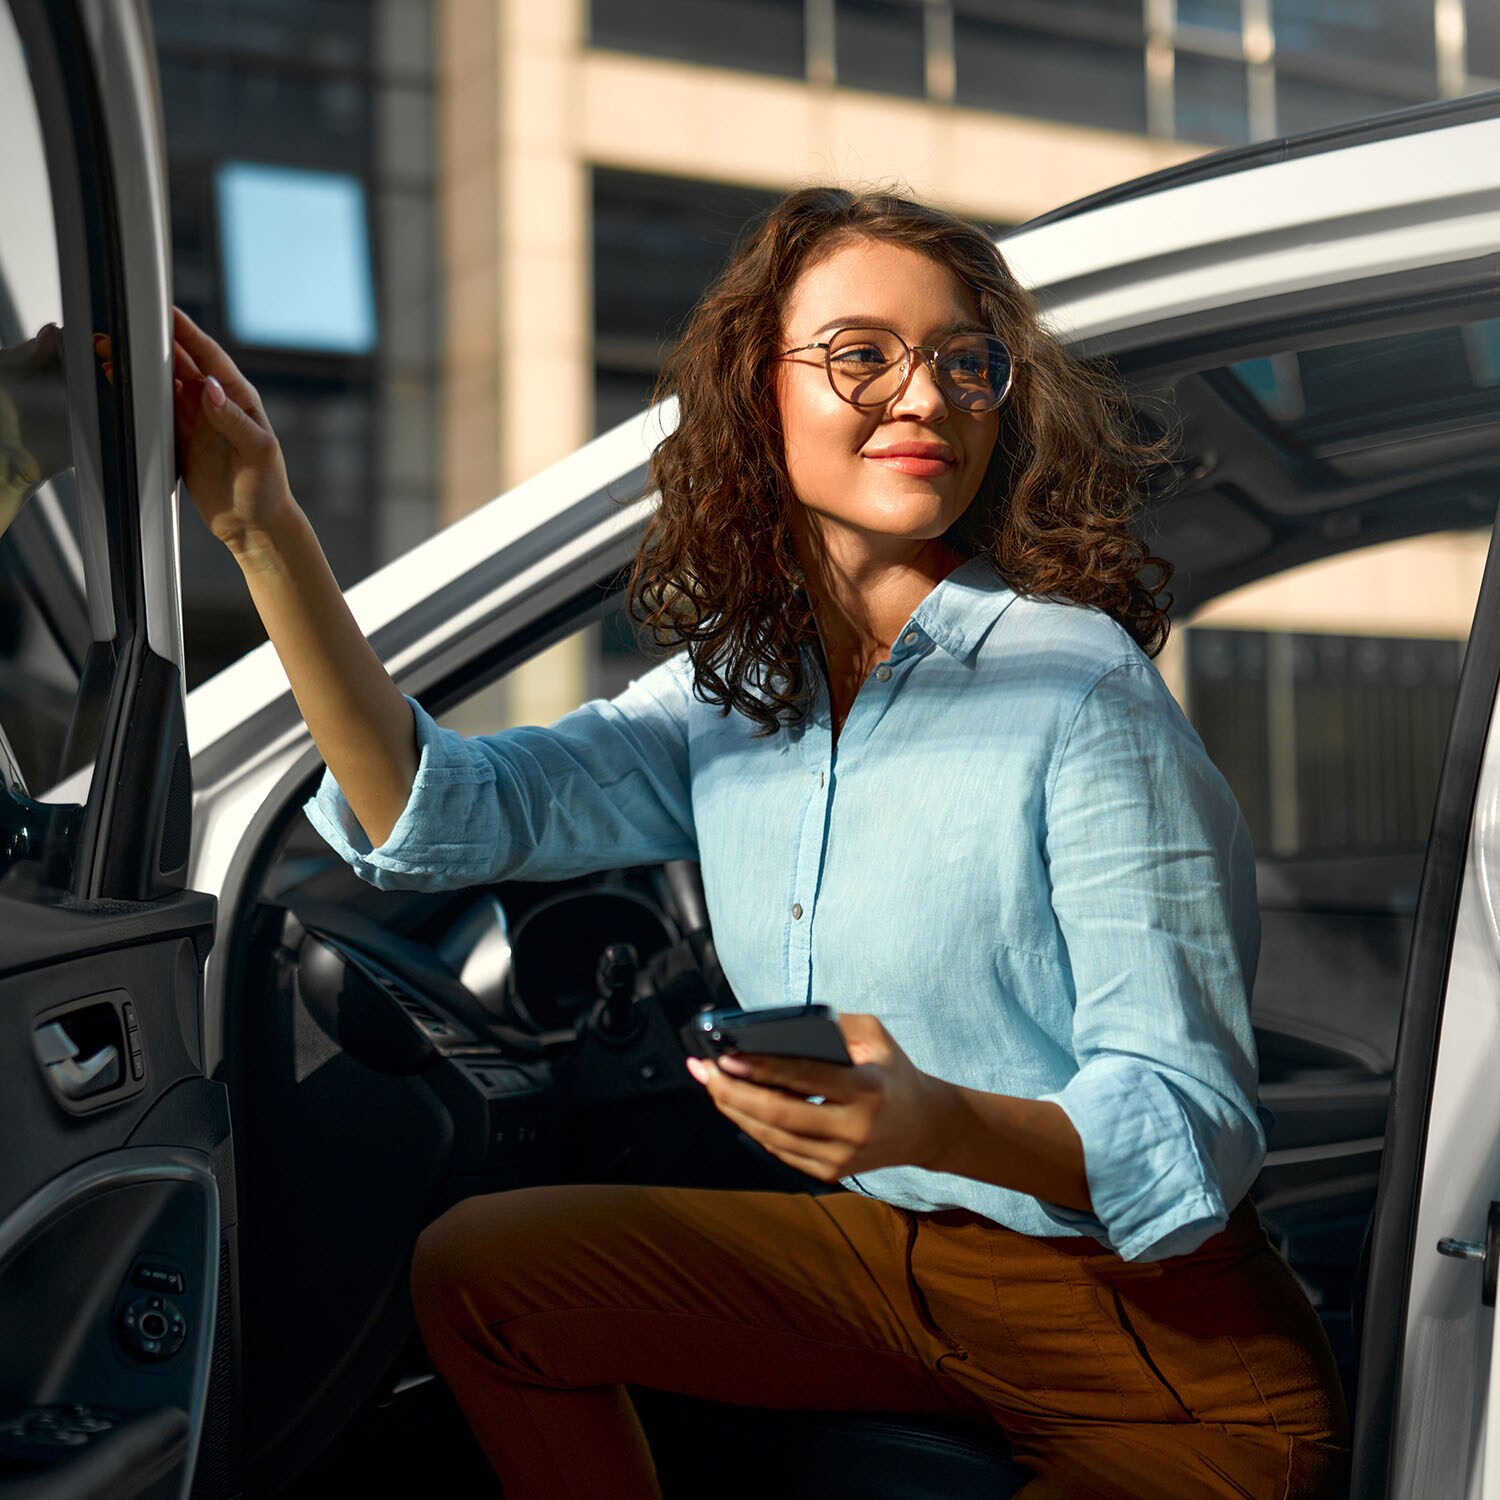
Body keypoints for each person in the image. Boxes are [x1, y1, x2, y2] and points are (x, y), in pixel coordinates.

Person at [171, 187, 1349, 1500]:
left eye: (965, 363)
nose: (925, 398)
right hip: (904, 1263)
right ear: (757, 395)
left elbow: (1188, 1129)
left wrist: (935, 1119)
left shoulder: (1076, 692)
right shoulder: (737, 701)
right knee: (486, 1277)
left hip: (1161, 1344)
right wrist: (258, 528)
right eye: (863, 355)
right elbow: (438, 810)